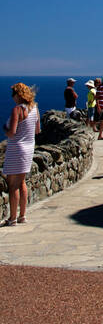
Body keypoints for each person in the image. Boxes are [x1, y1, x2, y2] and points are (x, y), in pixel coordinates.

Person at [2, 83, 40, 225]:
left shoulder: (17, 110)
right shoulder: (34, 109)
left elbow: (12, 133)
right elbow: (37, 130)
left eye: (13, 94)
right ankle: (22, 215)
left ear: (18, 95)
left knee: (13, 186)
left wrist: (5, 129)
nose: (12, 97)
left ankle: (12, 218)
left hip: (16, 149)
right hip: (29, 148)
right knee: (22, 182)